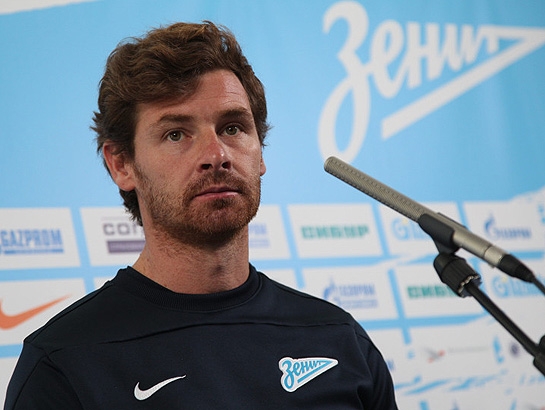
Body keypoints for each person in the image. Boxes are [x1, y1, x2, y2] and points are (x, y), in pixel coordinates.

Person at [4, 22, 398, 409]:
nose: (217, 155)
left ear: (261, 152)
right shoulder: (63, 364)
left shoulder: (340, 340)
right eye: (176, 134)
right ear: (121, 164)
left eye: (232, 128)